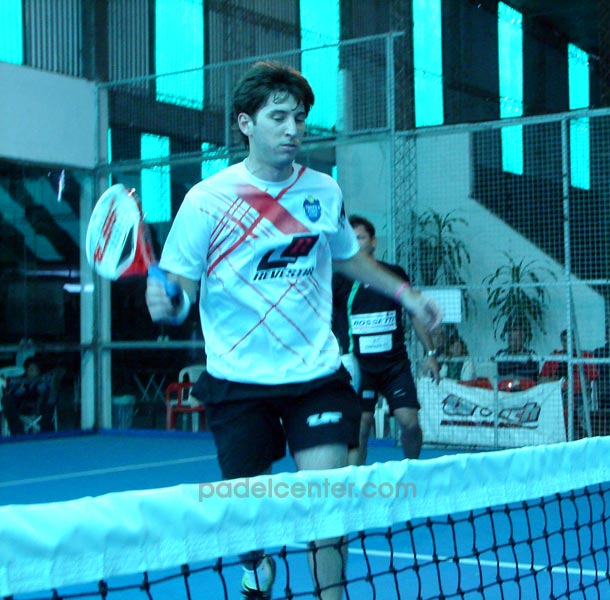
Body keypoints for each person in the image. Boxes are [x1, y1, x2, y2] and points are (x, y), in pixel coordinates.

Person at [145, 61, 441, 600]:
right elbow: (180, 289)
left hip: (314, 376)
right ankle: (256, 564)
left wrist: (408, 295)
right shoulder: (206, 200)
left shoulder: (322, 191)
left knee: (326, 508)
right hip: (238, 381)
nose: (292, 129)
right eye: (278, 117)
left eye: (299, 118)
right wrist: (166, 305)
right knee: (249, 516)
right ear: (245, 123)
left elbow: (349, 258)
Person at [332, 215, 440, 467]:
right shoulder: (339, 280)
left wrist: (431, 354)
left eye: (360, 237)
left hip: (394, 366)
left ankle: (412, 470)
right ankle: (356, 483)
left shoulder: (394, 275)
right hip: (360, 367)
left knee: (409, 423)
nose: (356, 243)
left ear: (373, 242)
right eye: (351, 239)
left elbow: (415, 314)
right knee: (361, 425)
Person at [1, 356, 53, 435]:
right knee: (6, 399)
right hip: (20, 406)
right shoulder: (19, 382)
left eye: (36, 370)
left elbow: (44, 390)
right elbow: (11, 393)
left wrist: (37, 387)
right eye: (31, 370)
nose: (33, 372)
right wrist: (18, 391)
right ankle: (17, 432)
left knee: (49, 398)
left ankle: (46, 430)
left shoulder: (43, 381)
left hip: (38, 406)